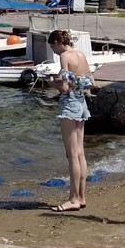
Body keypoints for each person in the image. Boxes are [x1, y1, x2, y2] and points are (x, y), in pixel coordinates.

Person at [47, 30, 91, 212]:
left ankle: (73, 199)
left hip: (70, 104)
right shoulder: (81, 55)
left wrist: (52, 83)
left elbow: (64, 88)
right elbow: (88, 81)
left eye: (53, 47)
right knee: (80, 153)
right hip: (82, 102)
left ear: (58, 42)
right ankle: (82, 197)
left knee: (72, 155)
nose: (54, 51)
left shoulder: (64, 56)